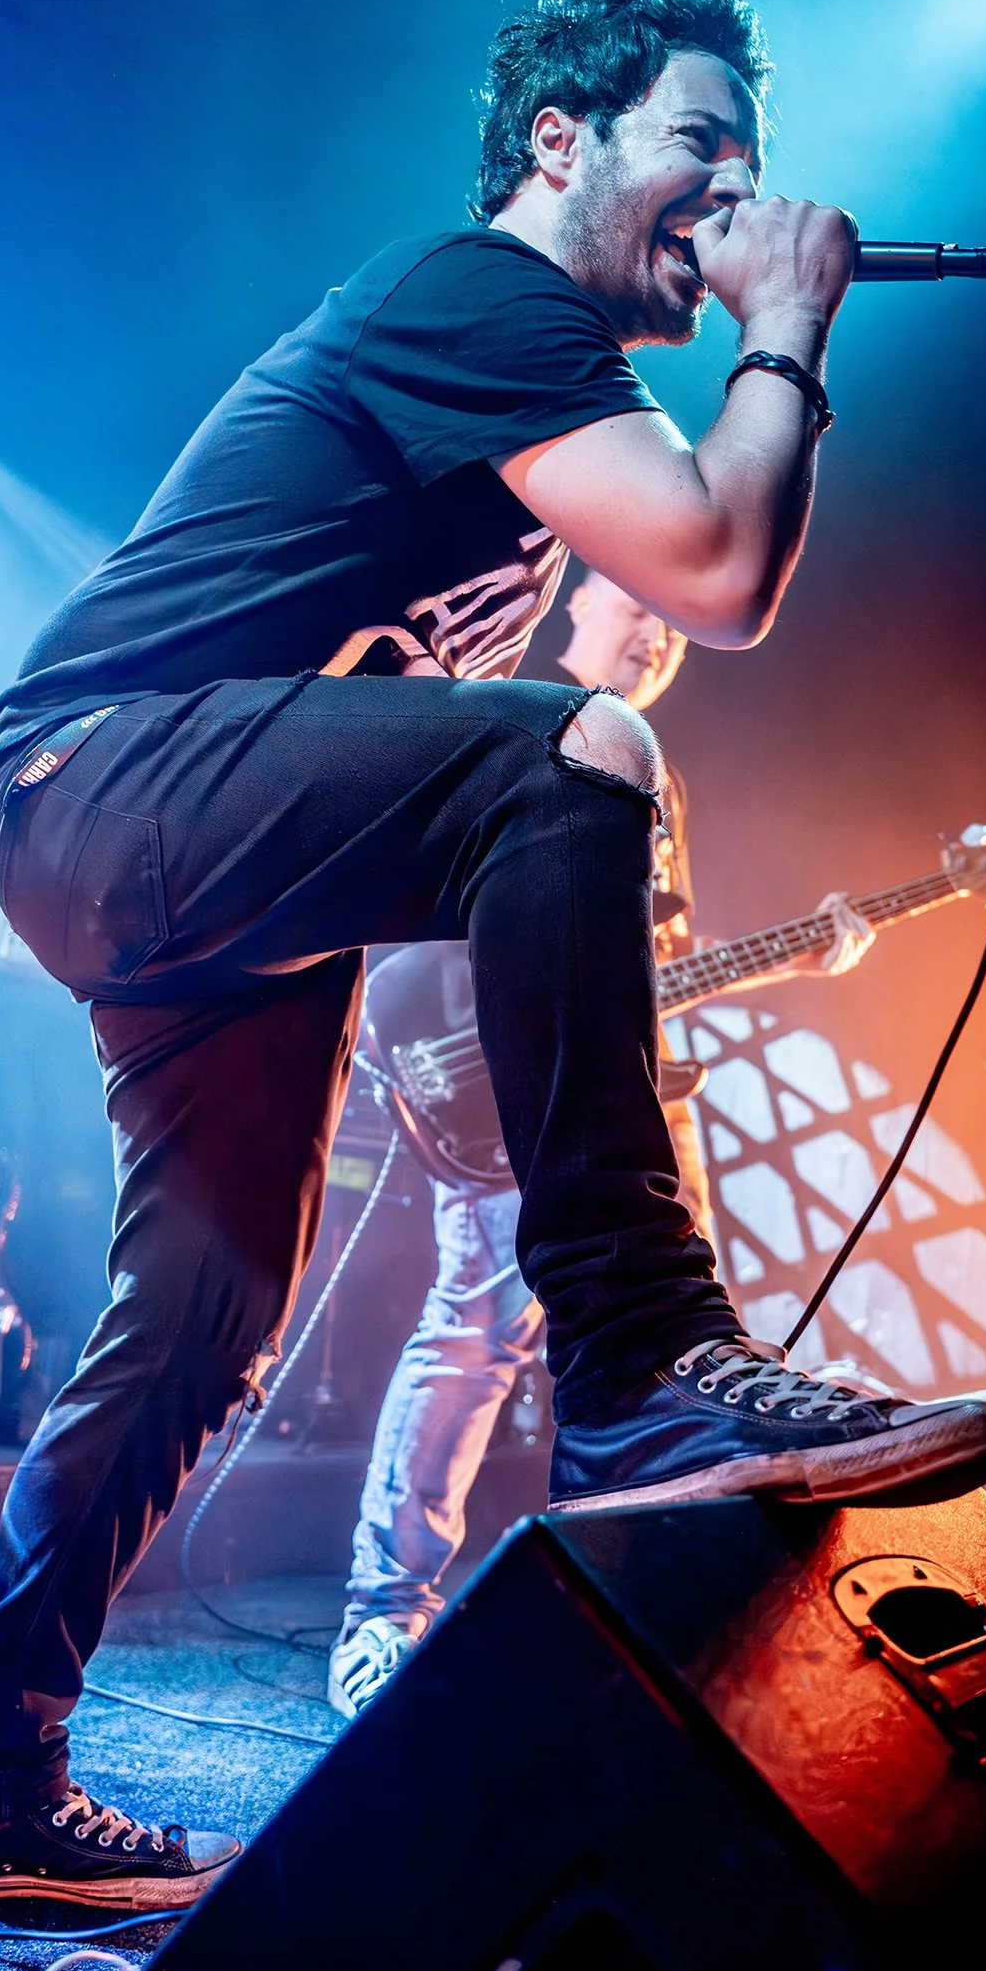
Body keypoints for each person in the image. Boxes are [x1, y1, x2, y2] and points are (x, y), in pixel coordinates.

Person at [0, 0, 986, 1915]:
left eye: (756, 164)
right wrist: (793, 320)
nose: (735, 193)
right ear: (557, 143)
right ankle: (644, 1352)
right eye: (699, 146)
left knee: (205, 1319)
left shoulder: (537, 397)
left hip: (186, 856)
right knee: (576, 749)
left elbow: (663, 586)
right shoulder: (473, 290)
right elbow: (722, 570)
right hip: (97, 781)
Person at [329, 569, 875, 1716]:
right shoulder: (508, 712)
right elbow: (409, 917)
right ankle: (384, 1612)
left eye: (679, 628)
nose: (661, 636)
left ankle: (643, 1622)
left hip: (640, 1092)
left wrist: (798, 950)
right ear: (579, 599)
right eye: (642, 608)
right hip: (512, 1096)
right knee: (475, 1332)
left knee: (669, 1351)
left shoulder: (654, 771)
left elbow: (646, 959)